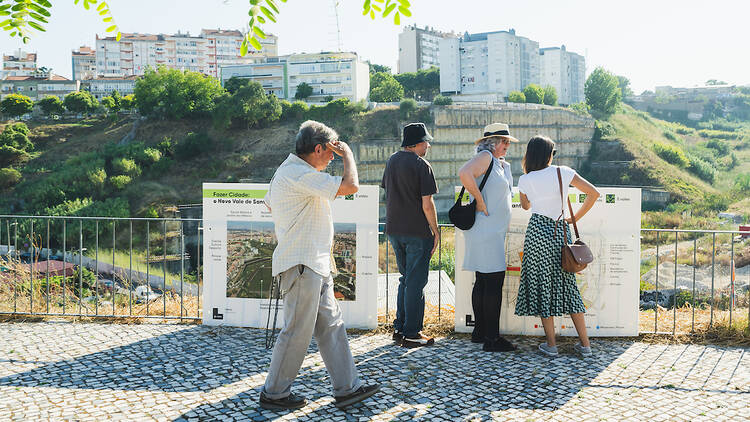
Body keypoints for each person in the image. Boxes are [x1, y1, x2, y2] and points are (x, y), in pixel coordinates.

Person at [260, 120, 379, 410]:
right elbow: (351, 185)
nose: (332, 158)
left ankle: (347, 388)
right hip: (303, 263)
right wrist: (348, 155)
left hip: (312, 262)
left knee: (331, 326)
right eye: (330, 152)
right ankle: (273, 393)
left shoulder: (288, 172)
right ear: (318, 148)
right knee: (297, 332)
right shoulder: (299, 173)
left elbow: (269, 204)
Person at [514, 135, 601, 357]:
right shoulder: (563, 172)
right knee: (568, 285)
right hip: (560, 232)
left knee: (543, 286)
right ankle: (586, 346)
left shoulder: (526, 179)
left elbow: (525, 207)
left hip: (536, 235)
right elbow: (594, 193)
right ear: (549, 154)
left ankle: (551, 345)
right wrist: (575, 218)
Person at [457, 123, 517, 352]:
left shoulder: (498, 163)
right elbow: (464, 173)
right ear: (493, 143)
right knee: (492, 282)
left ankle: (480, 332)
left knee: (483, 281)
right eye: (505, 142)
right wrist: (480, 201)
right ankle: (492, 338)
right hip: (487, 231)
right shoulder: (485, 156)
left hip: (489, 230)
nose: (507, 146)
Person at [381, 122, 439, 348]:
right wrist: (435, 231)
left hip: (394, 229)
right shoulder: (421, 165)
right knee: (416, 283)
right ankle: (413, 333)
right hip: (417, 232)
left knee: (405, 280)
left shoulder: (392, 161)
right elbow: (427, 204)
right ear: (418, 143)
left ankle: (400, 328)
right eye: (427, 141)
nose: (428, 146)